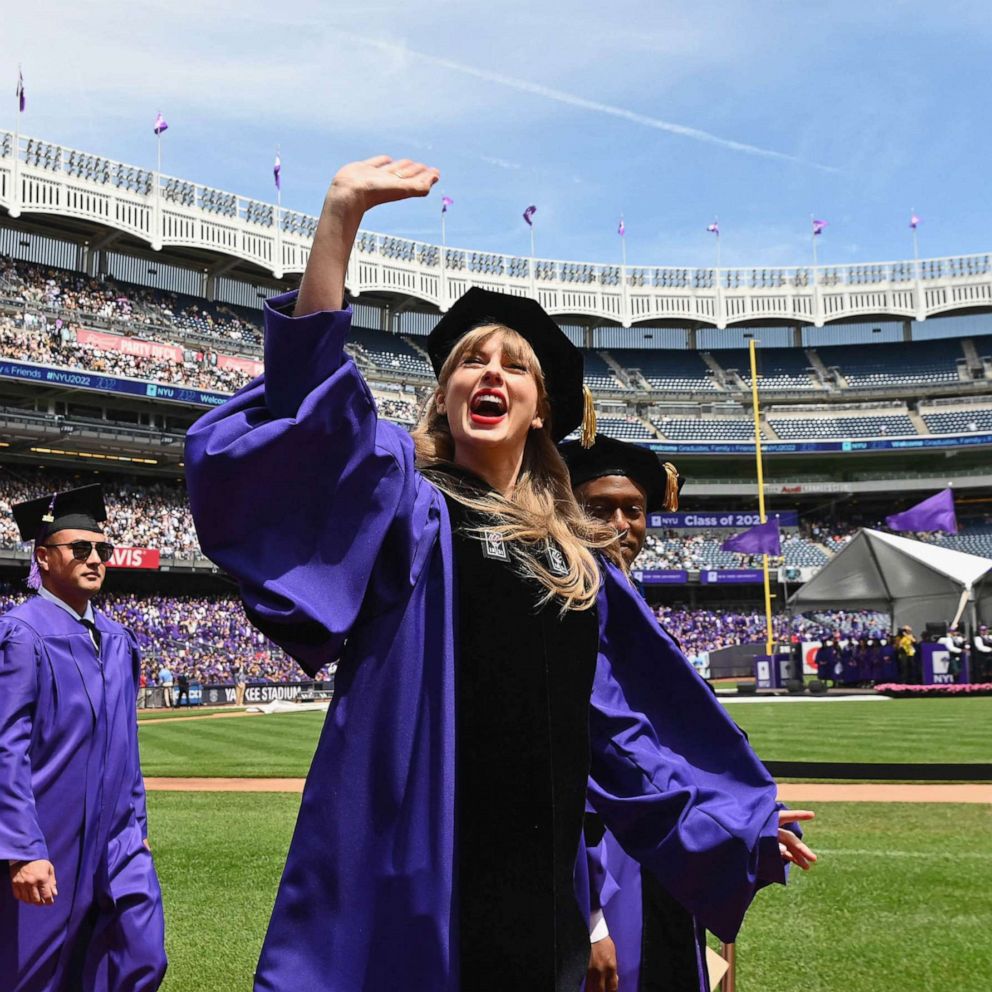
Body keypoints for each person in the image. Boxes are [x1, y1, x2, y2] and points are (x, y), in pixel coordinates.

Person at [185, 156, 814, 992]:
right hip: (418, 869)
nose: (491, 373)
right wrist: (340, 220)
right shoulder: (404, 502)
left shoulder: (577, 565)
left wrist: (729, 823)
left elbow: (619, 733)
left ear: (540, 405)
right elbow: (313, 413)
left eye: (514, 365)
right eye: (470, 363)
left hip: (542, 889)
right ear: (444, 397)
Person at [562, 436, 812, 992]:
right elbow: (583, 762)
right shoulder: (566, 609)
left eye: (634, 509)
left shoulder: (630, 604)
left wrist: (746, 814)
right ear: (565, 510)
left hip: (663, 856)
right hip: (604, 865)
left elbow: (671, 745)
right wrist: (591, 919)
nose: (620, 524)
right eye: (598, 508)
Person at [0, 484, 167, 991]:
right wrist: (23, 848)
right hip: (53, 833)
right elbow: (6, 748)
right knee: (36, 974)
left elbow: (127, 747)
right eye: (80, 549)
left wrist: (136, 823)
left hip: (118, 838)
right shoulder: (21, 635)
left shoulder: (119, 641)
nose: (95, 558)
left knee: (142, 953)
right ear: (45, 558)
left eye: (103, 550)